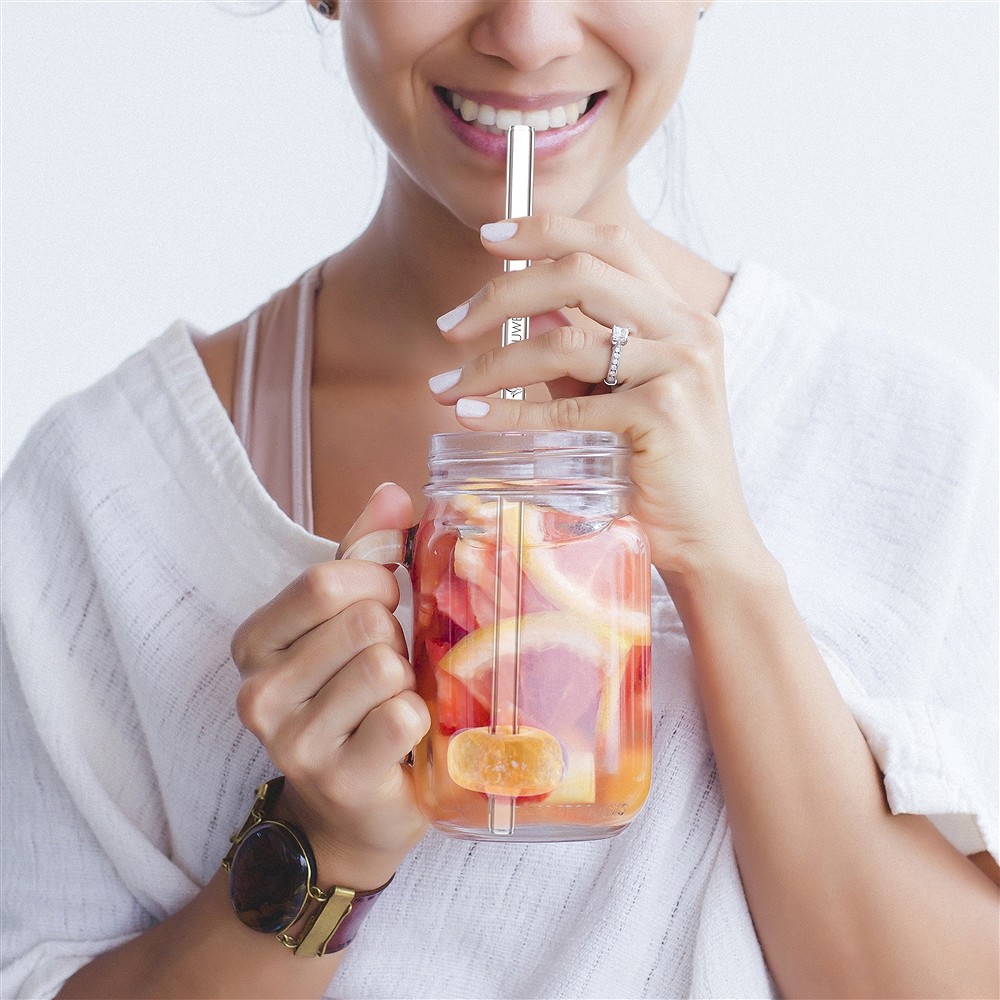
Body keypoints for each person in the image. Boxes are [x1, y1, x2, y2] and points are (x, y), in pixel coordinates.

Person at [2, 2, 997, 997]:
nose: (525, 34)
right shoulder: (113, 487)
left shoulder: (916, 444)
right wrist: (320, 849)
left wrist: (726, 566)